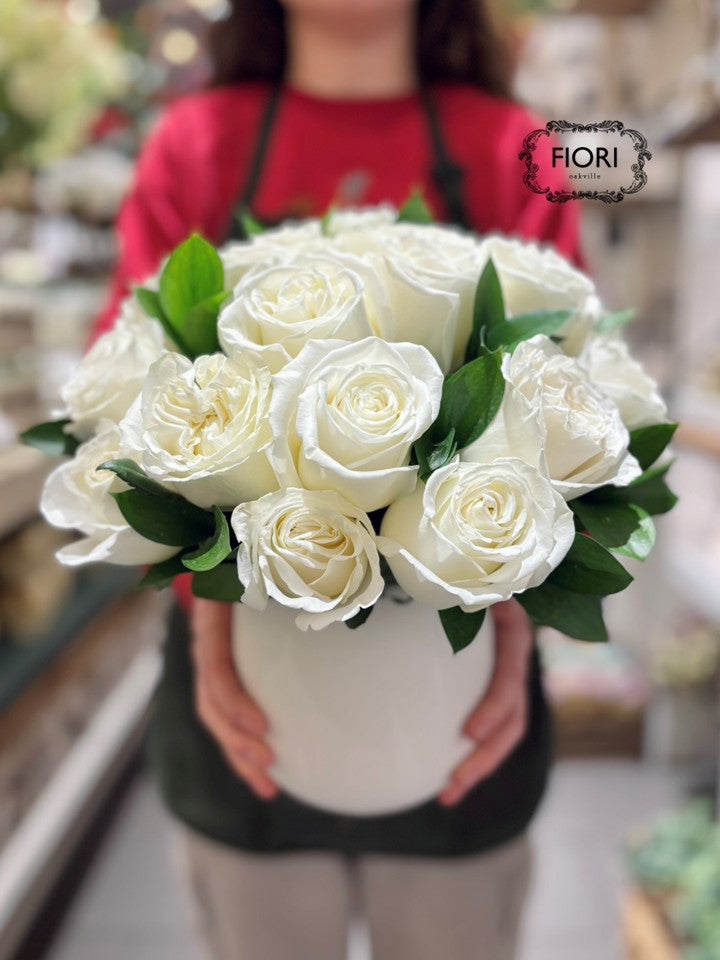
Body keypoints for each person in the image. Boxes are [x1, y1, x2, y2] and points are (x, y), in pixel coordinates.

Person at [93, 1, 583, 957]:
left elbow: (572, 381)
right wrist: (208, 605)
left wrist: (517, 606)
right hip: (239, 683)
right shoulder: (195, 143)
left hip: (464, 684)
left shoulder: (512, 147)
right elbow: (127, 395)